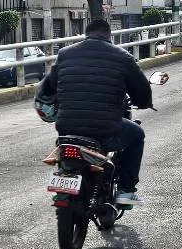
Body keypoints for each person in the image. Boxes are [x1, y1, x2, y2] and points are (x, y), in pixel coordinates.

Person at [40, 19, 158, 205]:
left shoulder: (65, 54)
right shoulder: (122, 56)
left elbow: (48, 87)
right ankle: (126, 191)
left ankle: (69, 184)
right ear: (108, 35)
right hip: (105, 129)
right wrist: (144, 102)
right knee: (137, 135)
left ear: (86, 34)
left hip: (67, 128)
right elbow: (142, 90)